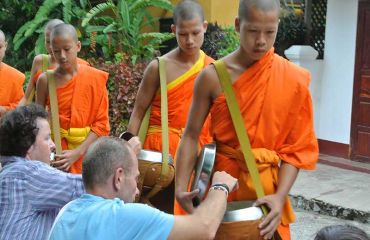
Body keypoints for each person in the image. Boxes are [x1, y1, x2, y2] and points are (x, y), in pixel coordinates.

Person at [175, 0, 319, 239]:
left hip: (267, 192)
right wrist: (180, 187)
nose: (261, 40)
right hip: (222, 187)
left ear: (277, 27)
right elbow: (191, 135)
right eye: (253, 31)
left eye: (269, 32)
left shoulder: (293, 79)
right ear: (238, 25)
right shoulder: (212, 77)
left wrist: (280, 196)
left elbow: (296, 149)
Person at [49, 137, 238, 240]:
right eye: (136, 178)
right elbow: (204, 228)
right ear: (119, 177)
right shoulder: (122, 215)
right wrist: (220, 186)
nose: (138, 191)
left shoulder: (66, 213)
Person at [125, 0, 213, 214]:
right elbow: (138, 111)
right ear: (173, 30)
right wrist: (128, 151)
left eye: (195, 33)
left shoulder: (212, 68)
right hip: (161, 156)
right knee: (160, 217)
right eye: (183, 34)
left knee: (191, 220)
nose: (190, 40)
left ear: (205, 27)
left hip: (196, 154)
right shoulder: (159, 67)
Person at [0, 104, 84, 240]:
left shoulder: (7, 174)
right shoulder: (29, 173)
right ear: (28, 145)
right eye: (47, 138)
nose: (53, 145)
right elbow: (90, 186)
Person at [36, 23, 110, 174]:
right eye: (56, 51)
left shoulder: (95, 77)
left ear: (78, 46)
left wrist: (77, 152)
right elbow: (38, 123)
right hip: (58, 156)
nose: (62, 56)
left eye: (67, 49)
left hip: (88, 155)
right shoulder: (45, 80)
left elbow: (102, 125)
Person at [18, 19, 89, 106]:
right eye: (48, 42)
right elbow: (27, 98)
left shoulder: (83, 66)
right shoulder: (40, 61)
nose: (51, 47)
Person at [0, 29, 25, 117]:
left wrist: (3, 110)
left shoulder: (15, 77)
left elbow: (20, 108)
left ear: (5, 46)